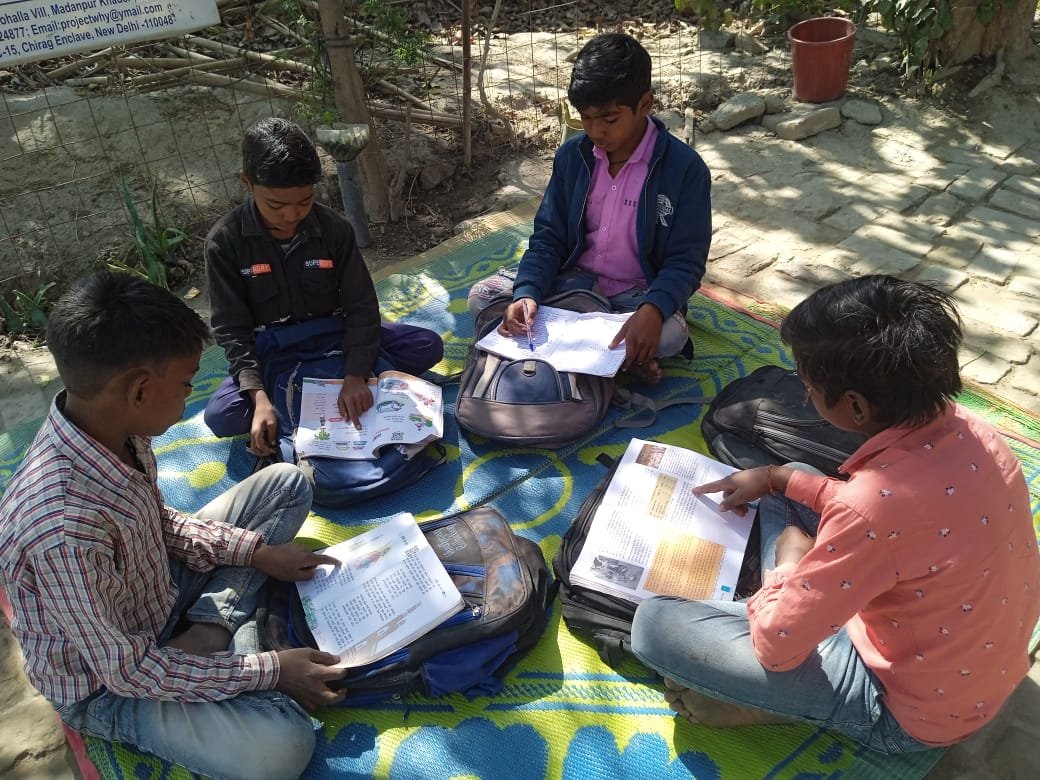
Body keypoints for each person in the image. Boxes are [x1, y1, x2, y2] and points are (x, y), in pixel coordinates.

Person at [631, 275, 1040, 754]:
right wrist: (775, 478)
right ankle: (793, 605)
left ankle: (771, 702)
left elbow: (777, 647)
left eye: (807, 384)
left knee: (654, 624)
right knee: (796, 474)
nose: (804, 395)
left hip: (904, 712)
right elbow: (896, 518)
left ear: (856, 407)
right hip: (971, 666)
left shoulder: (867, 510)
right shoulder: (978, 433)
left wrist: (790, 566)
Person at [0, 271, 349, 780]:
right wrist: (271, 670)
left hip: (155, 591)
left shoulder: (115, 430)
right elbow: (127, 670)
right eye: (187, 381)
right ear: (140, 389)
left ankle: (212, 629)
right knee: (281, 751)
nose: (191, 392)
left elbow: (158, 522)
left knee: (286, 485)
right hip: (111, 683)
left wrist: (255, 553)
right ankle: (227, 632)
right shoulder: (59, 528)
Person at [467, 32, 711, 385]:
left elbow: (685, 262)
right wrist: (528, 293)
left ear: (645, 104)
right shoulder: (573, 157)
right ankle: (615, 364)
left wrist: (653, 309)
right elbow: (548, 237)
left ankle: (592, 354)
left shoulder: (684, 170)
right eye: (586, 118)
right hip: (569, 281)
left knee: (670, 334)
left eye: (609, 119)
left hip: (634, 293)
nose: (596, 131)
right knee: (482, 297)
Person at [204, 117, 443, 454]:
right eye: (276, 205)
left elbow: (361, 305)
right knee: (222, 416)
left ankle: (319, 387)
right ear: (247, 183)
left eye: (304, 202)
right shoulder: (225, 242)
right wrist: (258, 396)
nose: (291, 216)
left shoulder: (335, 230)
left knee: (426, 345)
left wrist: (356, 374)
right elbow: (231, 328)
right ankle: (287, 394)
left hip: (335, 334)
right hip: (272, 349)